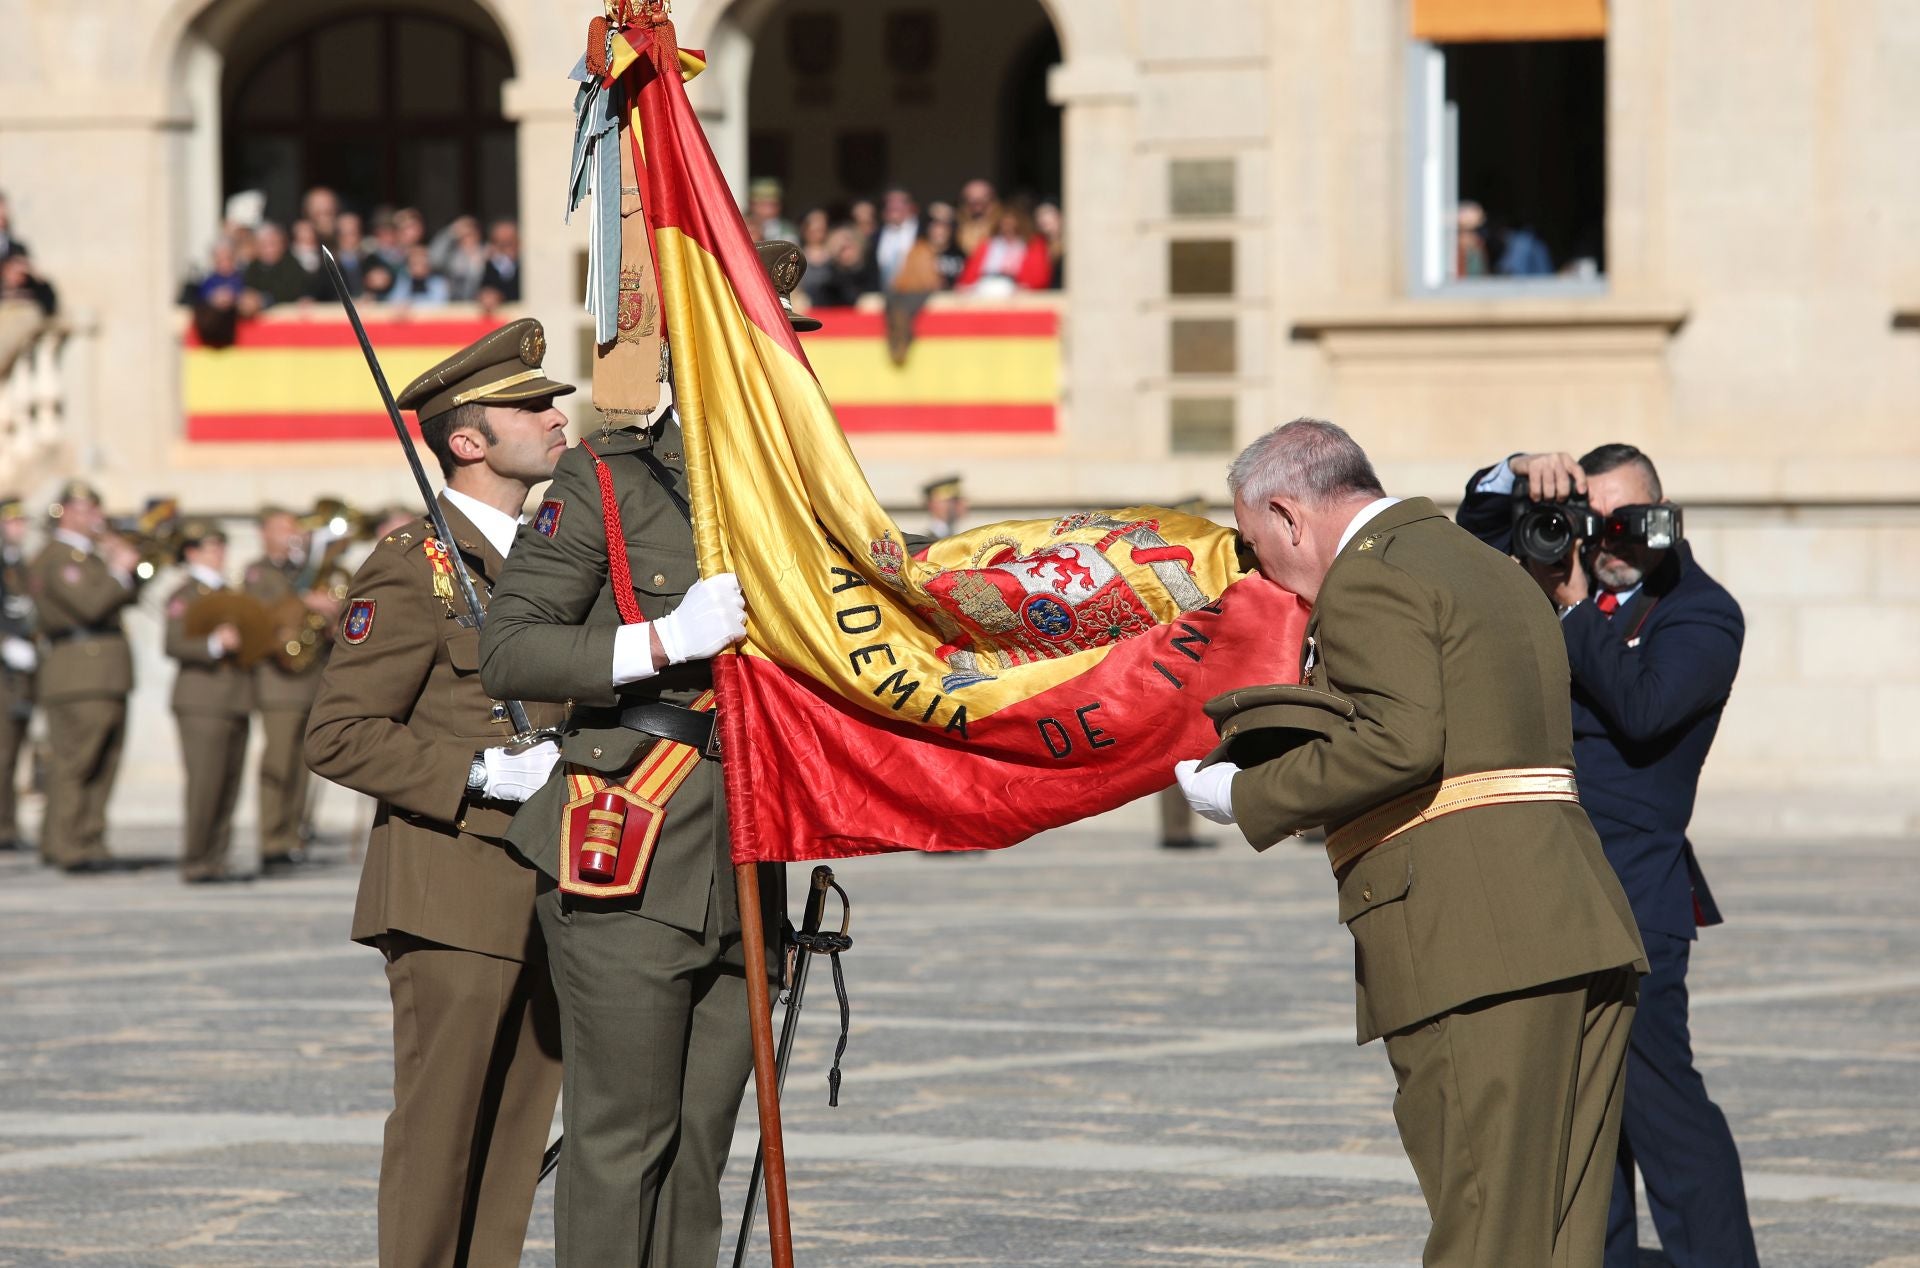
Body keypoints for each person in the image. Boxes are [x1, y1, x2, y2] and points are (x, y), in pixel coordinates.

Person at [1175, 418, 1646, 1267]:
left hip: (1472, 944)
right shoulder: (1492, 570)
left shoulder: (1371, 578)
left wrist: (1246, 793)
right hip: (1576, 921)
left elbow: (1398, 743)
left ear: (1287, 515)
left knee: (1486, 1229)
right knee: (1562, 1235)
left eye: (1254, 546)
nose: (1263, 570)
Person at [476, 248, 801, 1268]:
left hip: (749, 844)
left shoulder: (803, 495)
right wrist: (663, 639)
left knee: (700, 1144)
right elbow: (512, 648)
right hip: (633, 831)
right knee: (623, 1139)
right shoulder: (609, 479)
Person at [306, 318, 572, 1268]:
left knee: (513, 1137)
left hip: (550, 881)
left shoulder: (553, 556)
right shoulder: (413, 565)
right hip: (451, 887)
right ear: (468, 441)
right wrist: (470, 773)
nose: (556, 416)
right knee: (441, 1134)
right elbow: (335, 733)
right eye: (532, 406)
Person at [1456, 446, 1757, 1268]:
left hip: (1634, 901)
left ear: (1664, 511)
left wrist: (1577, 608)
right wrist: (1515, 477)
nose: (1610, 539)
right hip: (1549, 897)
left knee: (1665, 1117)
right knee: (1580, 1127)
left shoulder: (1699, 611)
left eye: (1629, 520)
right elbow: (1472, 540)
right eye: (1596, 520)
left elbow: (1645, 709)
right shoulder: (1559, 575)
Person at [29, 480, 144, 874]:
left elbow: (126, 596)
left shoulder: (86, 556)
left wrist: (127, 567)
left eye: (96, 508)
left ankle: (90, 839)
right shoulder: (57, 557)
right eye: (86, 509)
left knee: (104, 762)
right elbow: (91, 605)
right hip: (79, 672)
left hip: (104, 672)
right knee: (75, 762)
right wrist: (117, 570)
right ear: (65, 511)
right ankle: (66, 844)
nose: (96, 517)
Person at [164, 521, 254, 884]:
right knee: (205, 783)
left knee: (229, 784)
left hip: (235, 698)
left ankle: (217, 856)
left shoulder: (230, 592)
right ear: (192, 553)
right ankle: (196, 858)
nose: (218, 553)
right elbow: (172, 644)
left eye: (220, 546)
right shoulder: (185, 594)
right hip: (201, 699)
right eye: (209, 547)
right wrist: (215, 644)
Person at [246, 507, 334, 872]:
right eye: (283, 528)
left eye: (293, 528)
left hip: (310, 681)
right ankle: (271, 841)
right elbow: (261, 617)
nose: (292, 534)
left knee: (303, 766)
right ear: (264, 533)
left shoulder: (306, 572)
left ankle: (293, 838)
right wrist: (304, 602)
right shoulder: (258, 573)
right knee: (278, 764)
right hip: (278, 683)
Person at [0, 496, 37, 852]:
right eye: (11, 522)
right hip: (3, 670)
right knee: (3, 752)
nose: (17, 528)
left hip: (26, 669)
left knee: (18, 748)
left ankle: (8, 825)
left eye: (20, 521)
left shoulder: (24, 565)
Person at [957, 204, 1053, 294]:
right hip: (984, 291)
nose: (1008, 230)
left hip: (1017, 294)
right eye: (1005, 226)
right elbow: (967, 278)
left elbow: (1038, 278)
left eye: (1012, 227)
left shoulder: (1033, 245)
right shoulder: (987, 245)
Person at [244, 222, 315, 307]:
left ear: (282, 244)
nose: (269, 250)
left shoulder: (293, 266)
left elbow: (294, 293)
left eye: (273, 244)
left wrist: (265, 299)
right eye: (264, 245)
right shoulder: (252, 269)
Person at [954, 178, 1001, 257]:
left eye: (983, 202)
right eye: (971, 202)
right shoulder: (954, 231)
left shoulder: (1005, 230)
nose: (977, 208)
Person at [745, 177, 798, 244]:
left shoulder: (787, 232)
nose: (766, 210)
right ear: (751, 205)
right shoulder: (745, 225)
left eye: (770, 205)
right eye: (762, 204)